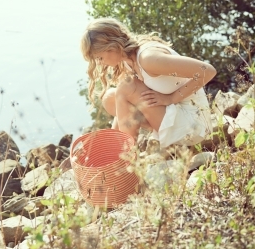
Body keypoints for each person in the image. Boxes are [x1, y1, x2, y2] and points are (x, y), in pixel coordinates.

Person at [80, 18, 216, 150]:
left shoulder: (148, 59)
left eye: (99, 58)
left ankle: (128, 157)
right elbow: (123, 108)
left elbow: (207, 71)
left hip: (194, 124)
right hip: (172, 111)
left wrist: (171, 98)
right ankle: (117, 149)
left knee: (125, 88)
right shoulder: (128, 60)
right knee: (110, 98)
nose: (100, 63)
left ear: (110, 46)